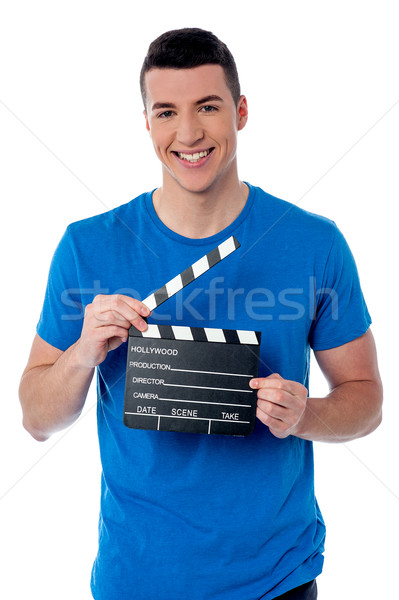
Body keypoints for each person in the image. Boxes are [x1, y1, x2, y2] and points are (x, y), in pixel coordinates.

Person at [19, 27, 383, 600]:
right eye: (166, 112)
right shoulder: (86, 248)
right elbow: (36, 420)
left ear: (240, 112)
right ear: (147, 123)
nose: (188, 133)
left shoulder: (315, 244)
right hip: (135, 581)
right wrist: (83, 353)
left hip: (277, 580)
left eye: (207, 107)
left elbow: (367, 401)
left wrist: (304, 415)